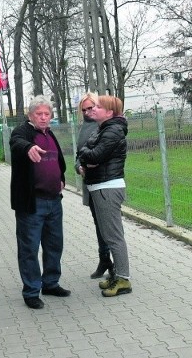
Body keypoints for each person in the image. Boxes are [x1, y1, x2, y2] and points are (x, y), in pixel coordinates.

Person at [9, 95, 70, 310]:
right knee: (29, 248)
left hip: (54, 201)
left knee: (54, 245)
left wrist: (61, 178)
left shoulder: (50, 134)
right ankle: (31, 290)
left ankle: (51, 283)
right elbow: (17, 143)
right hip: (32, 203)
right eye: (39, 114)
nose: (43, 118)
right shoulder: (22, 132)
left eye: (47, 114)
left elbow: (58, 161)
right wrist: (28, 148)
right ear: (30, 115)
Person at [77, 95, 132, 297]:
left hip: (107, 187)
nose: (92, 110)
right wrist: (86, 156)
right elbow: (87, 153)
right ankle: (117, 275)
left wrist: (86, 155)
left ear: (109, 112)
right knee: (109, 235)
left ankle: (123, 279)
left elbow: (94, 155)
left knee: (113, 236)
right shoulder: (103, 128)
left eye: (98, 107)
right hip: (99, 186)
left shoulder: (113, 130)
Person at [75, 92, 114, 279]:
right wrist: (78, 167)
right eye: (84, 109)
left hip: (104, 182)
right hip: (89, 183)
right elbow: (78, 154)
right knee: (98, 223)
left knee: (109, 225)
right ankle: (104, 259)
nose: (88, 112)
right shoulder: (83, 128)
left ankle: (117, 264)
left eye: (91, 108)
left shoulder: (104, 126)